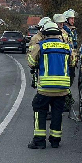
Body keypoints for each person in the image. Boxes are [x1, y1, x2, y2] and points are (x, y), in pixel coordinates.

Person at [27, 20, 74, 149]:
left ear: (45, 34)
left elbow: (31, 62)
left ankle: (39, 141)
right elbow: (72, 63)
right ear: (58, 34)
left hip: (45, 89)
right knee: (57, 113)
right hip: (63, 88)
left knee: (39, 110)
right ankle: (55, 140)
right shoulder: (66, 47)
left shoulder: (40, 46)